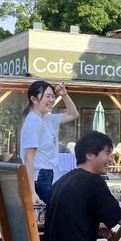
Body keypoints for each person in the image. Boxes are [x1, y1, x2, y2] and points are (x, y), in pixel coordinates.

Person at [20, 80, 79, 208]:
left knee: (53, 213)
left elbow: (73, 114)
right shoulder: (34, 121)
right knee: (52, 214)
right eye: (47, 96)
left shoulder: (47, 118)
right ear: (34, 99)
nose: (52, 100)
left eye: (53, 96)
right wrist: (32, 193)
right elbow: (28, 158)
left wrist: (64, 95)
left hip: (47, 175)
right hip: (39, 177)